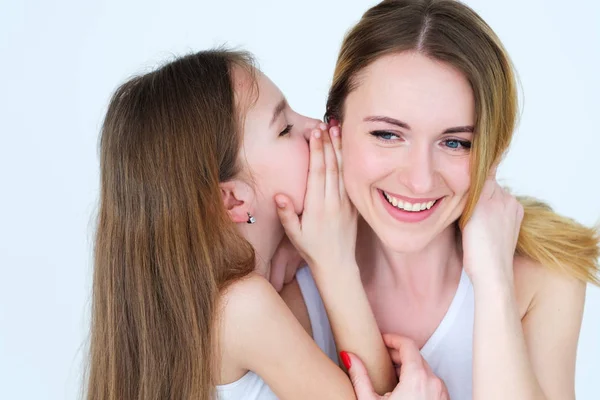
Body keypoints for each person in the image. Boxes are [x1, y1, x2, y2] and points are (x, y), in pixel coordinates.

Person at [303, 1, 600, 399]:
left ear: (493, 151)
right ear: (333, 128)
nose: (419, 179)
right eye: (388, 135)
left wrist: (494, 280)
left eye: (455, 142)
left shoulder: (545, 277)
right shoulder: (288, 274)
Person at [86, 49, 409, 400]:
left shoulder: (215, 300)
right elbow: (378, 392)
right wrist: (335, 263)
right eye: (285, 128)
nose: (317, 127)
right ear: (233, 201)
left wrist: (297, 248)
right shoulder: (242, 307)